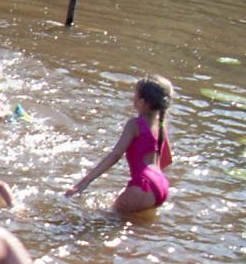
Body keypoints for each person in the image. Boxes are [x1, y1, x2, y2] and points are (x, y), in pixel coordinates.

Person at [64, 75, 174, 214]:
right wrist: (151, 183)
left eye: (135, 94)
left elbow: (115, 155)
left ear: (142, 102)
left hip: (144, 184)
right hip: (161, 185)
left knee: (107, 219)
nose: (133, 98)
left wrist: (84, 182)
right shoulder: (161, 125)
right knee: (132, 222)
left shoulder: (135, 124)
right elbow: (167, 160)